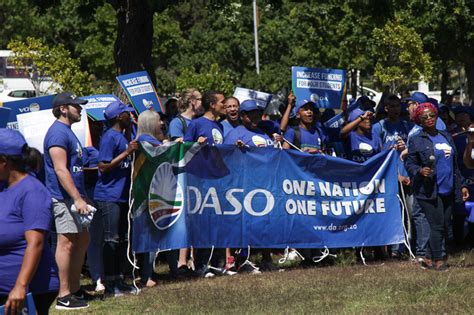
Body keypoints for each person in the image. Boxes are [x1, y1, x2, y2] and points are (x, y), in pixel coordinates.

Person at [0, 129, 59, 315]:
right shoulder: (4, 188)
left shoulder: (32, 192)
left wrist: (20, 286)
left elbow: (36, 243)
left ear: (3, 162)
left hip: (27, 291)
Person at [405, 102, 469, 270]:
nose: (429, 119)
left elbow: (455, 164)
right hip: (428, 189)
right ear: (419, 120)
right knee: (437, 225)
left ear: (436, 116)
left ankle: (426, 256)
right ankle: (438, 260)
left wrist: (461, 185)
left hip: (448, 188)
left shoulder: (445, 135)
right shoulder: (417, 139)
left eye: (431, 115)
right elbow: (409, 163)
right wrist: (420, 170)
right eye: (424, 117)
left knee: (446, 224)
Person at [43, 92, 91, 310]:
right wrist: (76, 198)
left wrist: (82, 196)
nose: (80, 109)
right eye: (76, 106)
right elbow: (60, 170)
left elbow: (74, 169)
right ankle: (63, 296)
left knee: (82, 240)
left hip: (74, 197)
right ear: (63, 109)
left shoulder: (68, 132)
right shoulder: (57, 134)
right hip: (62, 198)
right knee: (67, 242)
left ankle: (74, 288)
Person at [94, 100, 138, 296]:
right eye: (127, 114)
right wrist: (127, 152)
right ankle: (110, 283)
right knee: (111, 239)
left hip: (121, 196)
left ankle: (120, 279)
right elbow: (102, 166)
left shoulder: (122, 135)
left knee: (123, 239)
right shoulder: (110, 137)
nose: (130, 116)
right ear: (119, 117)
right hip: (108, 196)